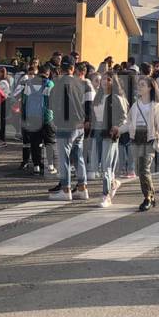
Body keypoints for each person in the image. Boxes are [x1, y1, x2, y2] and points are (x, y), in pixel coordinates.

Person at [126, 75, 159, 211]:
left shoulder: (156, 106)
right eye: (139, 85)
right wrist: (118, 129)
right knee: (140, 170)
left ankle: (147, 198)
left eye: (143, 85)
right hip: (136, 139)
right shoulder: (135, 105)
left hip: (149, 139)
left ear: (150, 88)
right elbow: (128, 123)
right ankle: (151, 195)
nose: (139, 87)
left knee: (144, 169)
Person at [49, 60, 88, 201]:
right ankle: (82, 188)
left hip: (65, 124)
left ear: (62, 68)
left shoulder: (58, 84)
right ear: (73, 68)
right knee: (79, 157)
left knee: (64, 158)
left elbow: (52, 104)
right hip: (80, 124)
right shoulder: (81, 83)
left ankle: (66, 190)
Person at [95, 72, 129, 208]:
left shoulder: (116, 97)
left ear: (113, 82)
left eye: (108, 79)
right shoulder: (98, 97)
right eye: (103, 79)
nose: (104, 82)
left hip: (110, 134)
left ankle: (106, 195)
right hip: (97, 133)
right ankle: (114, 183)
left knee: (106, 166)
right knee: (102, 164)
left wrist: (117, 128)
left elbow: (123, 116)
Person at [20, 61, 55, 177]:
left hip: (32, 117)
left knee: (35, 143)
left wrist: (24, 117)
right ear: (48, 73)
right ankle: (50, 166)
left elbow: (24, 102)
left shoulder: (28, 84)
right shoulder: (50, 84)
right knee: (49, 142)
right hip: (46, 118)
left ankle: (36, 167)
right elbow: (52, 103)